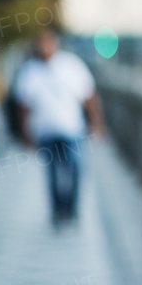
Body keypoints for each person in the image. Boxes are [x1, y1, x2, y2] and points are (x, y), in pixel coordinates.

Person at [14, 29, 104, 223]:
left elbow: (89, 97)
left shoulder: (72, 65)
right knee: (53, 173)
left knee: (76, 168)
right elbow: (24, 106)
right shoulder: (31, 70)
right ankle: (57, 211)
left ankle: (72, 208)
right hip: (46, 131)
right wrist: (25, 131)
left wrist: (97, 123)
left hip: (72, 129)